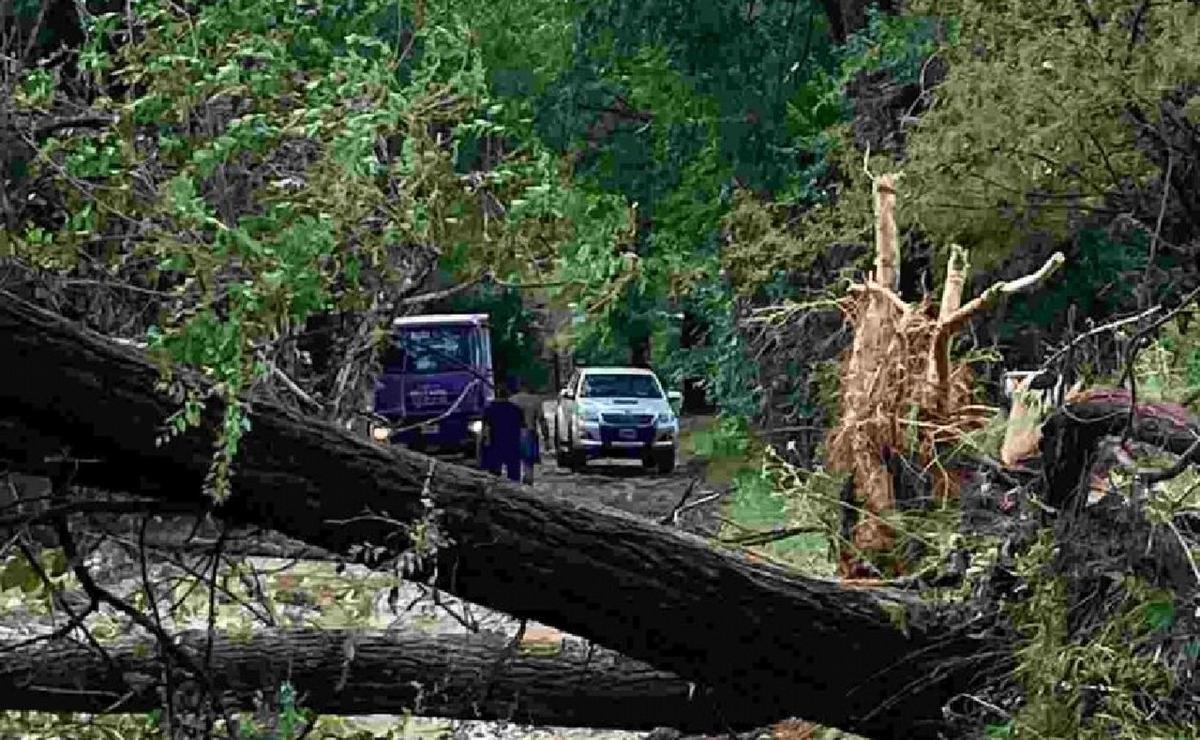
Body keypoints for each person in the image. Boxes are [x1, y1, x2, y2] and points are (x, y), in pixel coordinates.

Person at [481, 376, 525, 482]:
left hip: (496, 445)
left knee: (494, 475)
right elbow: (523, 430)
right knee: (514, 475)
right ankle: (515, 492)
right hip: (512, 444)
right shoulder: (516, 410)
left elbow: (486, 430)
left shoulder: (489, 409)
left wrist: (485, 444)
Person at [510, 376, 551, 483]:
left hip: (514, 433)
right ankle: (528, 479)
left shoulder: (512, 400)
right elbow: (542, 420)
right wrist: (546, 438)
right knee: (528, 460)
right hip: (529, 431)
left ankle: (514, 480)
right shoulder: (535, 400)